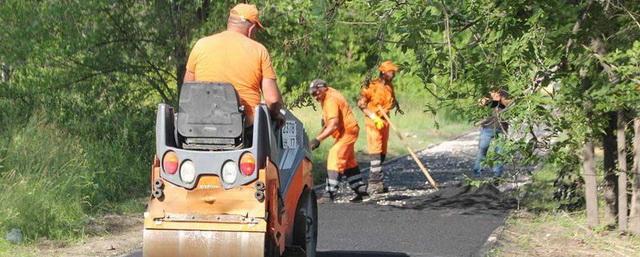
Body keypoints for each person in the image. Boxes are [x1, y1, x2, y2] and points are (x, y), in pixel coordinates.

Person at [183, 3, 284, 129]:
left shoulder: (200, 45)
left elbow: (187, 91)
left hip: (201, 128)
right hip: (245, 131)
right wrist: (275, 115)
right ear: (251, 29)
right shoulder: (258, 50)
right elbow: (273, 100)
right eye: (256, 31)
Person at [308, 79, 368, 203]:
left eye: (316, 93)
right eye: (312, 94)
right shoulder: (328, 94)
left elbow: (334, 124)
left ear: (322, 88)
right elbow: (329, 120)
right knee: (348, 162)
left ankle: (329, 194)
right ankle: (361, 190)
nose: (315, 97)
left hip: (347, 132)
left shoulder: (330, 99)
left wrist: (317, 140)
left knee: (335, 156)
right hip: (346, 131)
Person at [357, 61, 403, 194]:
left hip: (385, 121)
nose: (393, 74)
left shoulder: (389, 87)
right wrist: (374, 117)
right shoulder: (371, 86)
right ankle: (373, 183)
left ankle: (379, 182)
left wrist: (391, 106)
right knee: (375, 151)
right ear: (383, 71)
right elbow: (361, 104)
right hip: (373, 122)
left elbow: (392, 101)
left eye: (393, 72)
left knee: (382, 152)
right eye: (390, 71)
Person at [473, 88, 512, 177]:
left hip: (502, 130)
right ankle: (477, 174)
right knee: (482, 149)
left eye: (497, 93)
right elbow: (481, 103)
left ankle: (497, 176)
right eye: (493, 92)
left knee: (499, 153)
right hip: (487, 128)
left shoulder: (505, 95)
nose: (495, 94)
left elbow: (508, 104)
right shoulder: (488, 98)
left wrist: (499, 100)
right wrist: (487, 101)